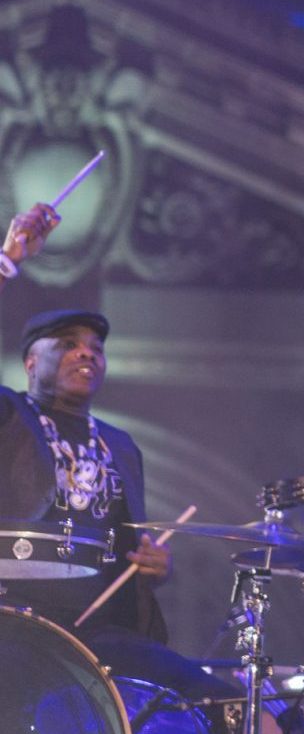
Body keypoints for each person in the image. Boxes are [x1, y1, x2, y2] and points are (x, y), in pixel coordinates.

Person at [0, 202, 167, 639]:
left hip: (101, 630)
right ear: (32, 363)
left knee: (190, 694)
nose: (87, 352)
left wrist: (152, 568)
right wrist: (7, 261)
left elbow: (129, 547)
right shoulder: (9, 414)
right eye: (69, 344)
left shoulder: (121, 446)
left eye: (96, 347)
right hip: (16, 621)